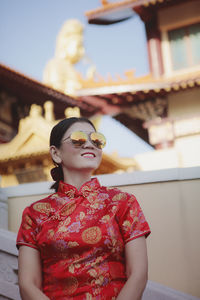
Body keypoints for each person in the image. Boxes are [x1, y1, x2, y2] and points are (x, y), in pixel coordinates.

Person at [17, 117, 151, 300]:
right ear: (56, 154)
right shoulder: (35, 213)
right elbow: (28, 284)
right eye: (78, 139)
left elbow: (138, 274)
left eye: (96, 140)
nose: (89, 144)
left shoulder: (122, 202)